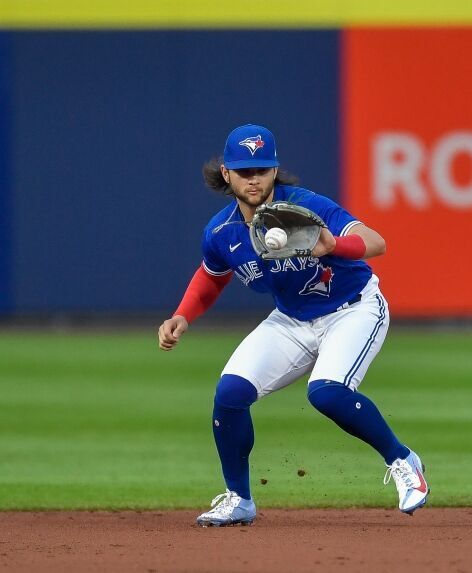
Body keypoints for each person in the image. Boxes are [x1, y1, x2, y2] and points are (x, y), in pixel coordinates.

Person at [158, 124, 429, 526]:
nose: (254, 179)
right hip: (291, 320)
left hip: (352, 309)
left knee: (326, 393)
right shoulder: (220, 232)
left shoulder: (306, 206)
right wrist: (183, 313)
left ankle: (404, 460)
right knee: (229, 394)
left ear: (275, 170)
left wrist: (335, 244)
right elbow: (212, 276)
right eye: (245, 170)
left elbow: (376, 241)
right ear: (227, 173)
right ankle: (239, 499)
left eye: (262, 170)